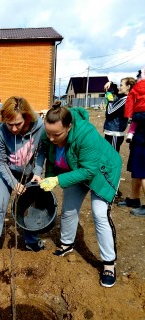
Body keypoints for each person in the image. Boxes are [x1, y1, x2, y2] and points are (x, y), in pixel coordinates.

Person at [39, 103, 122, 288]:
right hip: (76, 170)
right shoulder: (49, 135)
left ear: (69, 127)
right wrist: (50, 178)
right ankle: (67, 244)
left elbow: (89, 171)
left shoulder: (86, 134)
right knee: (69, 208)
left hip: (103, 172)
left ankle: (109, 263)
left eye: (56, 135)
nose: (51, 138)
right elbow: (51, 160)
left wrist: (58, 180)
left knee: (99, 214)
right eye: (48, 133)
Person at [0, 96, 46, 272]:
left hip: (29, 174)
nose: (14, 128)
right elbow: (0, 161)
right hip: (7, 173)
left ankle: (31, 241)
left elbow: (41, 152)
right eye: (10, 124)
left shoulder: (38, 126)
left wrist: (38, 173)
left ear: (27, 118)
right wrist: (14, 183)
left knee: (30, 206)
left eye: (18, 124)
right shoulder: (1, 131)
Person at [118, 68, 145, 216]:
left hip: (143, 136)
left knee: (143, 171)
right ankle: (134, 199)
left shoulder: (139, 92)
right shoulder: (137, 94)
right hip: (138, 136)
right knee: (136, 169)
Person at [103, 77, 136, 152]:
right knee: (108, 157)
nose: (119, 87)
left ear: (128, 87)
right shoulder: (122, 97)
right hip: (112, 132)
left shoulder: (125, 100)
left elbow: (109, 113)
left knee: (112, 158)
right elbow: (115, 89)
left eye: (121, 85)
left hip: (115, 134)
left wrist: (110, 100)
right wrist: (110, 83)